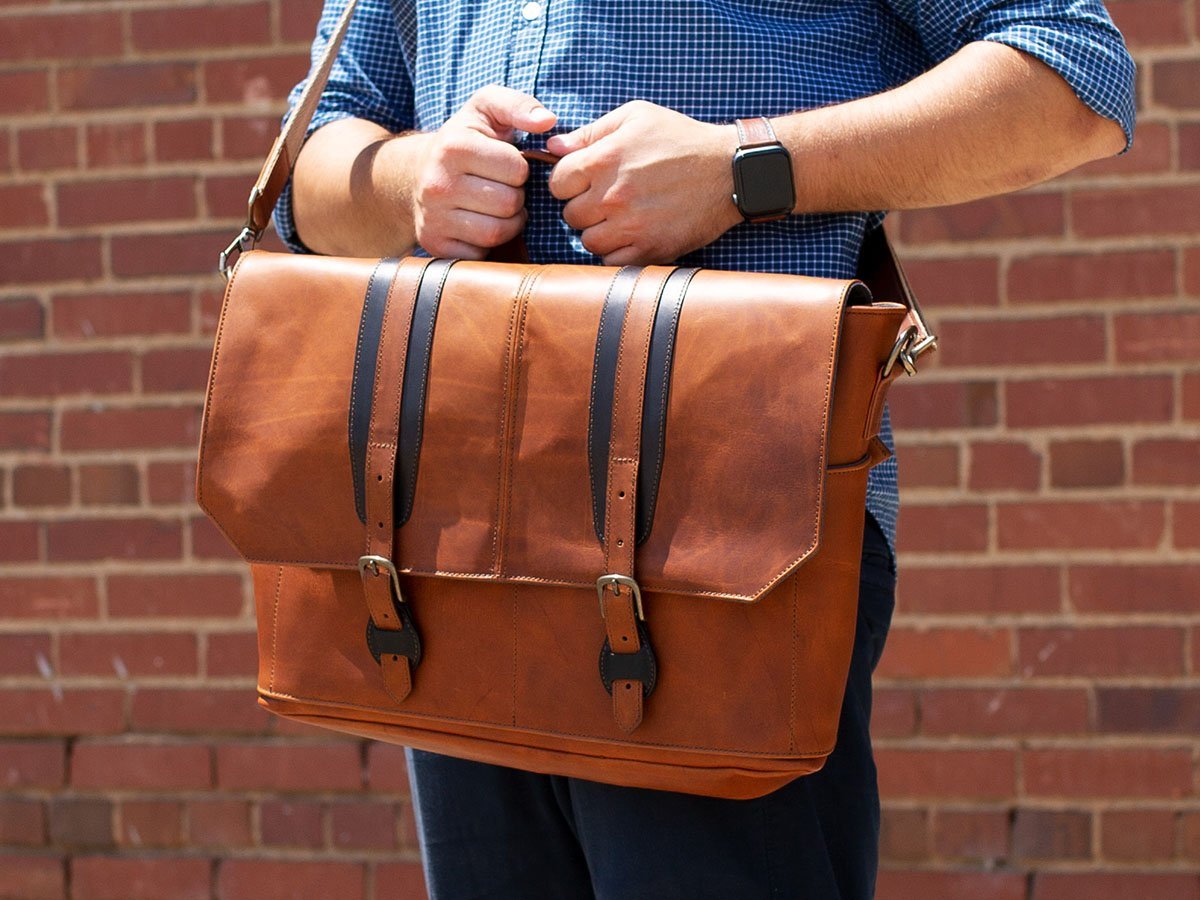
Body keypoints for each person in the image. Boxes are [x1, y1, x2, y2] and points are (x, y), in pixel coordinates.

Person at [275, 2, 1135, 897]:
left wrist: (743, 168)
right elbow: (311, 158)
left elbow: (1074, 77)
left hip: (728, 545)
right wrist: (411, 180)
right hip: (452, 545)